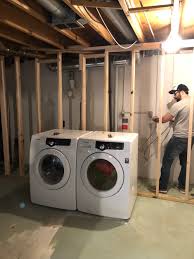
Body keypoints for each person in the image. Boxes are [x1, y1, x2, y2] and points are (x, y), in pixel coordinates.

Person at [152, 84, 194, 194]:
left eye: (175, 93)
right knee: (185, 163)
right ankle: (182, 187)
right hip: (190, 138)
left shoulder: (179, 105)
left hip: (179, 138)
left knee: (166, 161)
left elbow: (164, 119)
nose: (174, 96)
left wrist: (155, 118)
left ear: (181, 91)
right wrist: (177, 122)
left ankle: (162, 188)